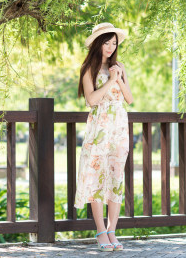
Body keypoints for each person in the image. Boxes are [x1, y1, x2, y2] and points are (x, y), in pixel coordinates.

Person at [74, 22, 133, 252]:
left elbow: (129, 98)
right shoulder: (89, 68)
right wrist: (109, 80)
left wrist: (118, 77)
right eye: (107, 43)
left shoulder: (119, 66)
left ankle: (112, 231)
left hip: (119, 128)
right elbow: (91, 100)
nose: (110, 47)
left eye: (114, 43)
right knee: (96, 177)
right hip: (99, 128)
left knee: (116, 178)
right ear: (98, 43)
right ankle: (100, 231)